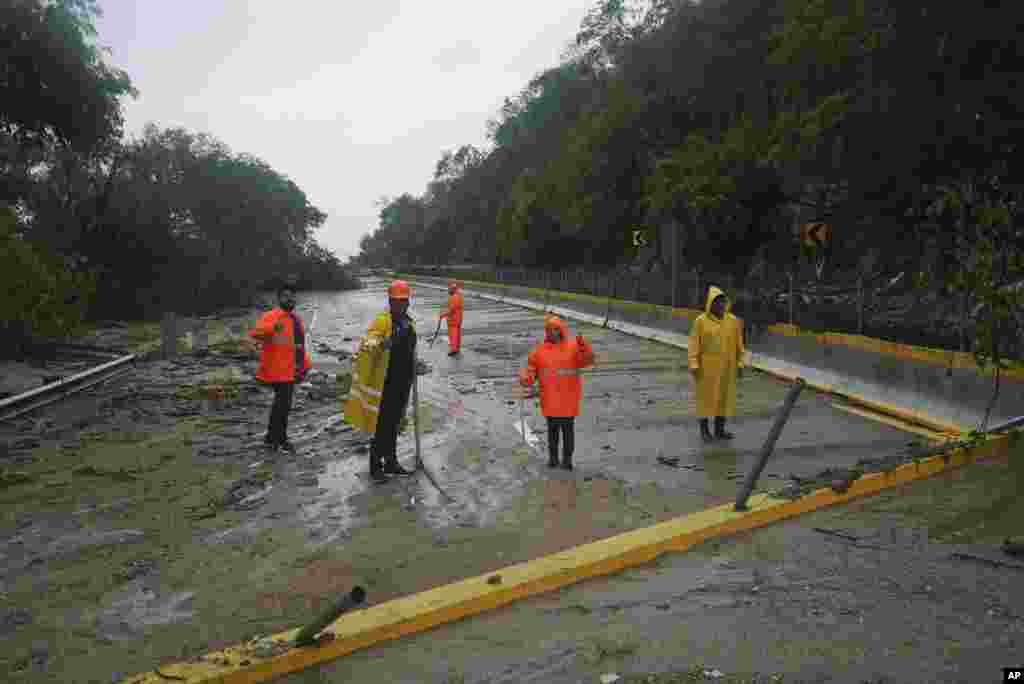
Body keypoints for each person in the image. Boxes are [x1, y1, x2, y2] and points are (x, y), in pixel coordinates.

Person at [344, 280, 418, 484]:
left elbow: (410, 348)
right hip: (386, 382)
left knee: (395, 424)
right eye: (397, 301)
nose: (401, 305)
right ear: (390, 301)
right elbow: (368, 343)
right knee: (383, 425)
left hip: (403, 381)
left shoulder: (408, 322)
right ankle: (375, 467)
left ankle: (391, 463)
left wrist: (415, 366)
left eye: (404, 301)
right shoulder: (382, 321)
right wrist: (381, 343)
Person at [519, 315, 595, 471]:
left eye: (555, 329)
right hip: (550, 399)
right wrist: (525, 378)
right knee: (553, 431)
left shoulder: (574, 347)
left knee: (567, 432)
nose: (552, 332)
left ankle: (567, 460)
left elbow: (587, 360)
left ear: (561, 330)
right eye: (549, 330)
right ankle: (553, 459)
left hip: (568, 399)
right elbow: (531, 370)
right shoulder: (540, 350)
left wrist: (584, 346)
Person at [249, 285, 311, 453]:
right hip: (277, 371)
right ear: (279, 299)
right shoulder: (271, 316)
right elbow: (255, 333)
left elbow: (298, 346)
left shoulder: (296, 319)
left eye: (292, 296)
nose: (290, 299)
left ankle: (273, 438)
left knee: (282, 406)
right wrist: (272, 328)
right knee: (282, 406)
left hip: (291, 370)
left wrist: (306, 364)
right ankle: (278, 439)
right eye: (286, 296)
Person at [688, 285, 745, 443]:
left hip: (727, 367)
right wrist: (694, 364)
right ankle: (705, 431)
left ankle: (719, 430)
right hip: (706, 369)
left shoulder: (733, 321)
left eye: (722, 302)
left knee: (723, 399)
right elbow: (694, 344)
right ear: (710, 304)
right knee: (705, 399)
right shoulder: (700, 321)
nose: (720, 305)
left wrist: (740, 363)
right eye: (716, 302)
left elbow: (739, 345)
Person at [439, 280, 464, 356]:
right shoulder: (459, 296)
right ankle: (457, 348)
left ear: (452, 289)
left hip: (453, 320)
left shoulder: (454, 297)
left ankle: (453, 349)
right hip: (458, 319)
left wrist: (443, 314)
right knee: (457, 335)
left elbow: (451, 310)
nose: (448, 291)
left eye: (449, 289)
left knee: (453, 335)